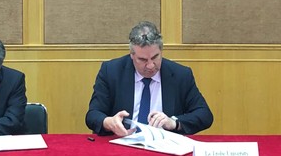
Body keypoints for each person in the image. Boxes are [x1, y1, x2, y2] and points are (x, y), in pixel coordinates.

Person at [85, 21, 213, 136]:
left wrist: (174, 122)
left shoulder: (181, 75)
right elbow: (93, 115)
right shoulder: (111, 71)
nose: (151, 65)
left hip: (164, 146)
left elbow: (205, 115)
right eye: (143, 60)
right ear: (132, 55)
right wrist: (109, 122)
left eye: (155, 57)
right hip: (123, 144)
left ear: (161, 51)